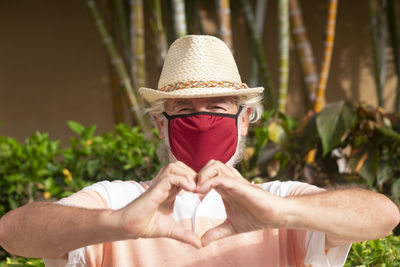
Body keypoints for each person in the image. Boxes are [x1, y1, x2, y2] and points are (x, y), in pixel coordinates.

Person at [0, 35, 399, 267]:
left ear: (243, 121)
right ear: (161, 124)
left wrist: (278, 213)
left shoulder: (278, 201)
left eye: (217, 109)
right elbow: (13, 233)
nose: (202, 121)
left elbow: (383, 215)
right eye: (186, 111)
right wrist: (117, 223)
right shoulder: (119, 201)